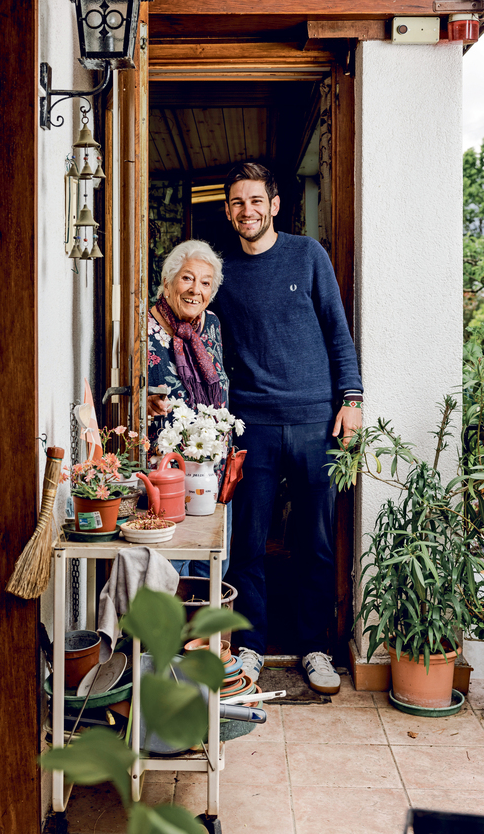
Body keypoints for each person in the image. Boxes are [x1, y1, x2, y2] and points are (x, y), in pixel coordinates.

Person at [215, 161, 363, 694]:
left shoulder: (308, 255)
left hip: (313, 420)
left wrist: (352, 398)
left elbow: (337, 331)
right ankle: (251, 647)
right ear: (228, 209)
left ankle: (315, 647)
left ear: (274, 205)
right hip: (250, 425)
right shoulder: (222, 272)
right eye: (236, 202)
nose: (246, 210)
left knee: (316, 542)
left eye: (255, 200)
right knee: (247, 544)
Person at [147, 239, 232, 576]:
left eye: (206, 282)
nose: (196, 290)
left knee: (213, 569)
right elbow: (127, 387)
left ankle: (201, 631)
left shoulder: (211, 324)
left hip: (212, 468)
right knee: (170, 572)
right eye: (187, 278)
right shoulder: (144, 325)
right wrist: (144, 402)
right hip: (165, 472)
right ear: (167, 282)